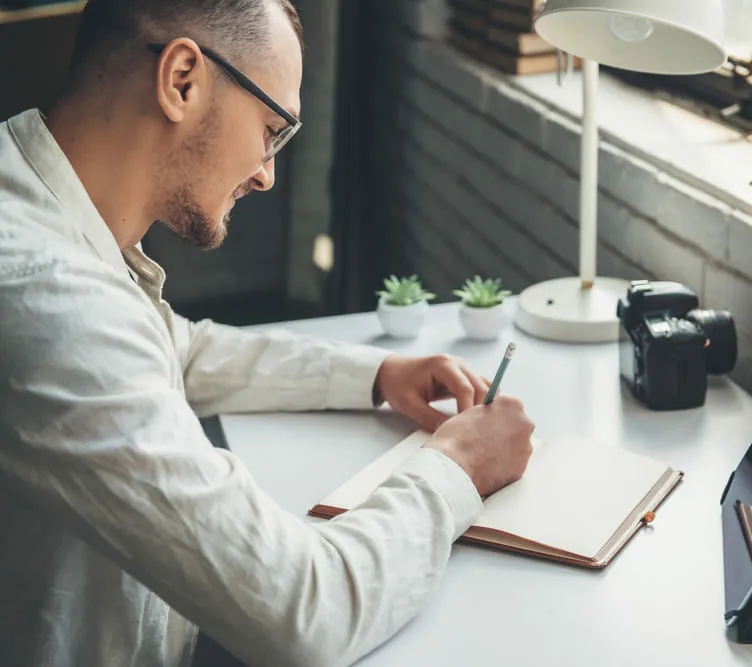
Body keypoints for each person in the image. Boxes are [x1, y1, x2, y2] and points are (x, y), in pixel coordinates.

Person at [0, 1, 535, 666]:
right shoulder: (51, 299)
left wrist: (375, 374)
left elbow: (179, 349)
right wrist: (458, 467)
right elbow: (307, 613)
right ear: (182, 80)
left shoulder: (36, 205)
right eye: (271, 130)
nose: (265, 173)